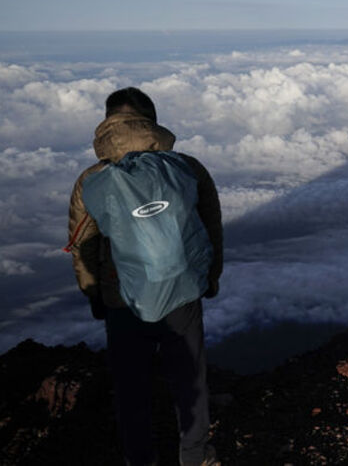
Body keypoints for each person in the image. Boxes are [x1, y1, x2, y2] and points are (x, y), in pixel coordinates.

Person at [66, 87, 223, 466]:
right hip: (183, 291)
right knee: (190, 381)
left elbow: (82, 244)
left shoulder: (92, 179)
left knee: (131, 388)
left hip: (122, 298)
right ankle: (196, 455)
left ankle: (141, 459)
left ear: (106, 123)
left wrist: (93, 294)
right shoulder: (185, 166)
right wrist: (211, 278)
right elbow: (210, 226)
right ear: (151, 121)